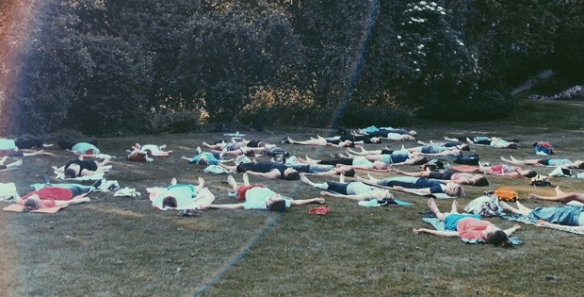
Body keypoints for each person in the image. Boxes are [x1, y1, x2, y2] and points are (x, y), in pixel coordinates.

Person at [413, 198, 520, 247]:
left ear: (487, 235)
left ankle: (435, 209)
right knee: (464, 215)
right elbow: (506, 232)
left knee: (442, 216)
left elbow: (448, 234)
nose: (493, 226)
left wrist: (424, 230)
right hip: (472, 218)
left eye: (493, 228)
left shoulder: (472, 235)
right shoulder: (496, 233)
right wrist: (513, 229)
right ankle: (454, 209)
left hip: (456, 221)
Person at [205, 174, 324, 212]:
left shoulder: (257, 204)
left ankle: (233, 182)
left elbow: (235, 206)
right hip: (261, 187)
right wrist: (314, 199)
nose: (278, 195)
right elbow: (296, 203)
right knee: (249, 184)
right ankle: (246, 180)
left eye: (276, 196)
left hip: (246, 191)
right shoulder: (281, 202)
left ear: (269, 202)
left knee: (238, 189)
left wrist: (211, 206)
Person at [299, 174, 394, 202]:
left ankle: (310, 183)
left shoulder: (367, 196)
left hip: (345, 189)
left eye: (384, 192)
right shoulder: (375, 191)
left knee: (326, 184)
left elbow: (347, 197)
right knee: (341, 183)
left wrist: (330, 194)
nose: (384, 190)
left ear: (380, 198)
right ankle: (341, 181)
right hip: (352, 184)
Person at [355, 174, 466, 197]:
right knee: (391, 179)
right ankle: (375, 180)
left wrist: (404, 189)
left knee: (389, 181)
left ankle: (363, 180)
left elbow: (424, 191)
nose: (452, 184)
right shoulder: (443, 185)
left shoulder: (438, 188)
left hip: (413, 183)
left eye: (452, 191)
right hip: (415, 180)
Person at [500, 199, 584, 231]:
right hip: (575, 211)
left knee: (540, 214)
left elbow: (577, 229)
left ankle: (514, 210)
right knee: (543, 211)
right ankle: (524, 210)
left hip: (568, 216)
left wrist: (549, 225)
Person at [16, 183, 94, 212]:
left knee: (47, 184)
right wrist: (84, 199)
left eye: (31, 196)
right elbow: (68, 202)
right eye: (34, 196)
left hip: (48, 188)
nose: (33, 195)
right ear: (38, 202)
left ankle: (47, 180)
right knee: (78, 188)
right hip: (65, 192)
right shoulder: (46, 202)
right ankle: (94, 186)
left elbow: (18, 198)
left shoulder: (24, 201)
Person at [388, 167, 489, 186]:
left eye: (478, 176)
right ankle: (403, 172)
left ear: (479, 179)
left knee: (423, 174)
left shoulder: (467, 181)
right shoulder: (470, 177)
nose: (477, 175)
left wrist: (434, 180)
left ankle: (403, 173)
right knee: (425, 172)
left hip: (445, 176)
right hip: (448, 173)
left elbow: (452, 182)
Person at [345, 147, 428, 166]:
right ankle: (353, 157)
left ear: (419, 160)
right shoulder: (412, 156)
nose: (419, 156)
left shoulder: (412, 160)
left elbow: (403, 163)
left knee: (368, 158)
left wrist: (393, 165)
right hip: (388, 156)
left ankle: (353, 157)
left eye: (420, 157)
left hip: (388, 159)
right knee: (369, 158)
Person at [220, 161, 301, 180]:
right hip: (258, 164)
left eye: (292, 170)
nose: (291, 168)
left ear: (288, 175)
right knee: (239, 165)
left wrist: (251, 173)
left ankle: (225, 167)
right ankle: (229, 167)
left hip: (254, 168)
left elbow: (264, 175)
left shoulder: (277, 173)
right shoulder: (285, 169)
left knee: (239, 167)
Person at [295, 155, 390, 171]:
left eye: (380, 163)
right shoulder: (371, 163)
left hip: (349, 162)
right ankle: (311, 161)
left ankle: (309, 162)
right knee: (329, 160)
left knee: (329, 162)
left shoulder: (369, 166)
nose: (378, 161)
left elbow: (357, 166)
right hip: (349, 160)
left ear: (377, 167)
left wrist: (344, 165)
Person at [452, 163, 537, 178]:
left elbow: (504, 175)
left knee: (477, 169)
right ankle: (459, 168)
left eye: (527, 171)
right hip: (500, 167)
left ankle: (458, 169)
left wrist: (492, 173)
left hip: (499, 170)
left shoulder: (517, 174)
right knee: (478, 169)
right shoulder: (519, 170)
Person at [500, 156, 584, 169]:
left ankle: (511, 161)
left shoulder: (569, 165)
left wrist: (543, 166)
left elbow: (556, 167)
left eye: (579, 161)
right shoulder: (569, 162)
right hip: (548, 161)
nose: (578, 160)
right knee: (527, 161)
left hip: (547, 163)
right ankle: (514, 160)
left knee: (526, 162)